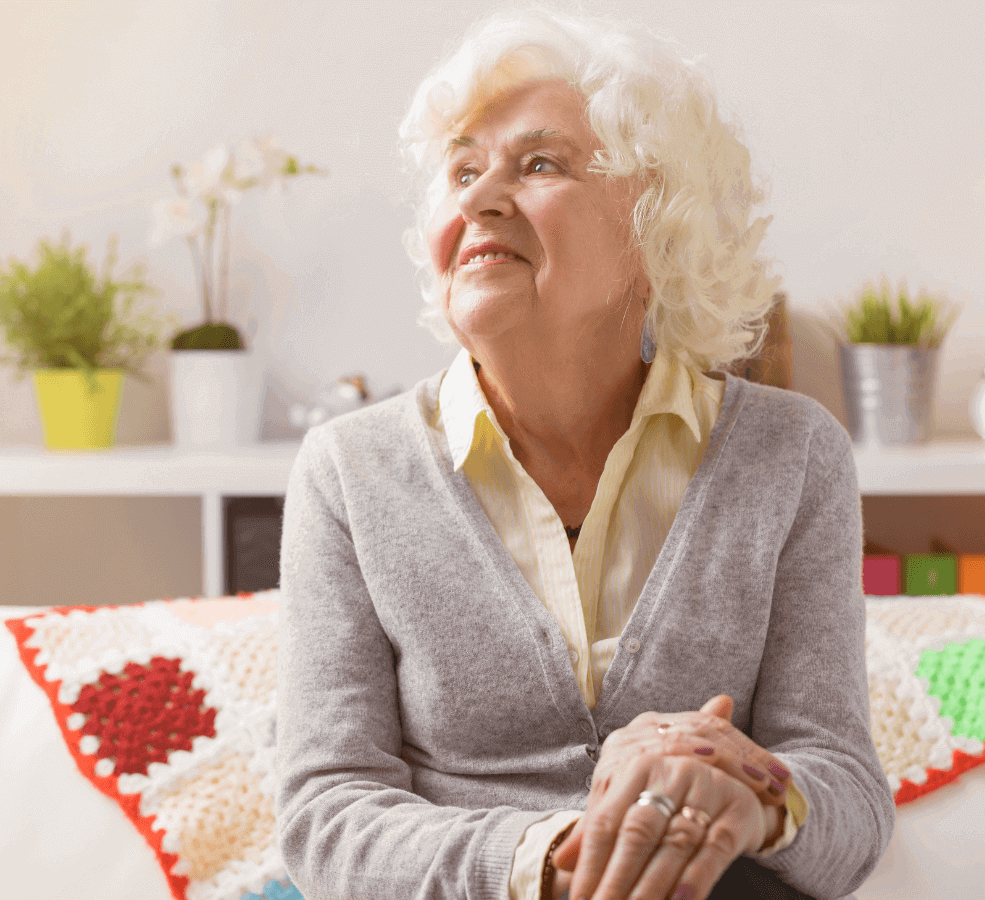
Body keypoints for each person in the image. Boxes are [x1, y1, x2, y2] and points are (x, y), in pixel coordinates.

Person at [275, 10, 893, 900]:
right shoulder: (349, 471)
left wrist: (753, 795)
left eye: (538, 164)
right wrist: (561, 857)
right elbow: (328, 817)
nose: (479, 197)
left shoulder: (791, 456)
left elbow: (848, 801)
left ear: (656, 225)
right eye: (460, 170)